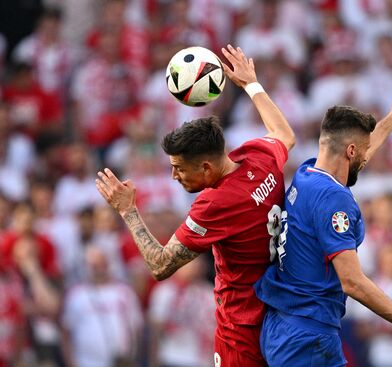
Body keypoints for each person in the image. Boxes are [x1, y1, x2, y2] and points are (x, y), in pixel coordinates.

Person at [95, 44, 295, 367]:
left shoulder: (214, 204)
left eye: (179, 168)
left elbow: (160, 266)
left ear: (204, 167)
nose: (173, 176)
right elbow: (284, 134)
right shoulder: (257, 158)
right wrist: (251, 84)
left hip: (241, 333)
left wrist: (128, 211)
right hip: (281, 318)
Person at [255, 76, 392, 366]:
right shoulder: (334, 200)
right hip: (308, 334)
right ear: (351, 151)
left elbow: (360, 154)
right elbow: (352, 282)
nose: (367, 158)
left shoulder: (307, 174)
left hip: (283, 325)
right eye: (362, 151)